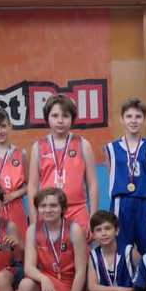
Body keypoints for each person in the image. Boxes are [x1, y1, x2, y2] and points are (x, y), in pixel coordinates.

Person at [16, 187, 87, 291]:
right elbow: (29, 267)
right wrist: (44, 279)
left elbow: (81, 272)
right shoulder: (33, 230)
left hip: (69, 282)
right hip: (48, 278)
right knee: (25, 285)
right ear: (38, 208)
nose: (48, 210)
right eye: (43, 206)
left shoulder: (74, 230)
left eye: (53, 205)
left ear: (63, 208)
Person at [29, 94, 98, 234]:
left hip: (77, 210)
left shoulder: (83, 144)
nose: (60, 121)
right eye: (55, 116)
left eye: (65, 116)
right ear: (47, 117)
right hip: (48, 211)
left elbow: (92, 184)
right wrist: (34, 219)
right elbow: (32, 186)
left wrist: (93, 217)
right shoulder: (38, 147)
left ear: (72, 118)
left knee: (81, 247)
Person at [104, 98, 146, 256]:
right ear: (121, 119)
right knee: (120, 248)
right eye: (129, 116)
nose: (133, 120)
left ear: (144, 120)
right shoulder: (110, 148)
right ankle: (123, 273)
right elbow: (111, 173)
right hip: (121, 203)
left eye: (138, 116)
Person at [0, 107, 28, 235]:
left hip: (16, 209)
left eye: (3, 126)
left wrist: (13, 195)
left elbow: (30, 186)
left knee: (18, 244)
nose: (0, 131)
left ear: (10, 126)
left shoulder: (21, 154)